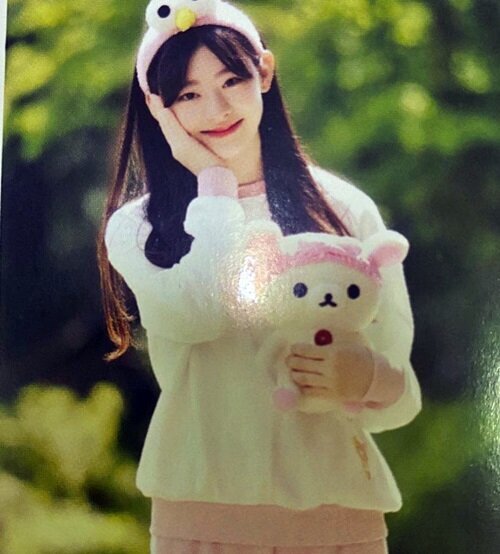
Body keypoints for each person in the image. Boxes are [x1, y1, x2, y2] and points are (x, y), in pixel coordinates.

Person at [97, 1, 422, 553]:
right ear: (157, 106)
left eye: (232, 80)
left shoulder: (343, 210)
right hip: (200, 522)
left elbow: (402, 395)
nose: (217, 108)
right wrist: (213, 183)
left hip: (339, 520)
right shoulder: (139, 228)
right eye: (188, 95)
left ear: (264, 71)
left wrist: (364, 377)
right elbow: (199, 314)